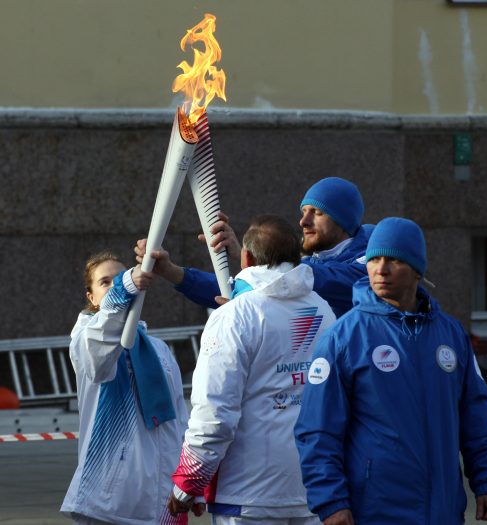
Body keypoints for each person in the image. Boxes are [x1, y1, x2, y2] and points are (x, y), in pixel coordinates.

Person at [294, 217, 487, 525]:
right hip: (375, 511)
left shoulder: (451, 334)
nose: (380, 269)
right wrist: (330, 501)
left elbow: (476, 415)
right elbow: (318, 429)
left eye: (393, 260)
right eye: (374, 259)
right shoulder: (343, 337)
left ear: (417, 269)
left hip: (444, 510)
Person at [166, 215, 336, 525]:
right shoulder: (323, 310)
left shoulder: (235, 316)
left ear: (246, 257)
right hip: (312, 490)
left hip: (248, 495)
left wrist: (189, 482)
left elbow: (215, 411)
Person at [60, 252, 190, 525]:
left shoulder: (158, 350)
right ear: (92, 297)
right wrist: (124, 286)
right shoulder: (86, 340)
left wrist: (189, 483)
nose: (114, 285)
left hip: (163, 501)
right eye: (104, 282)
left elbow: (179, 419)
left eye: (118, 278)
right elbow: (102, 344)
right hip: (110, 502)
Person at [134, 176, 372, 317]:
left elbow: (314, 279)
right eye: (303, 212)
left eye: (317, 213)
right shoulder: (307, 264)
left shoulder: (370, 264)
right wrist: (171, 271)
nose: (303, 222)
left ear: (343, 220)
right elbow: (235, 289)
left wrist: (257, 258)